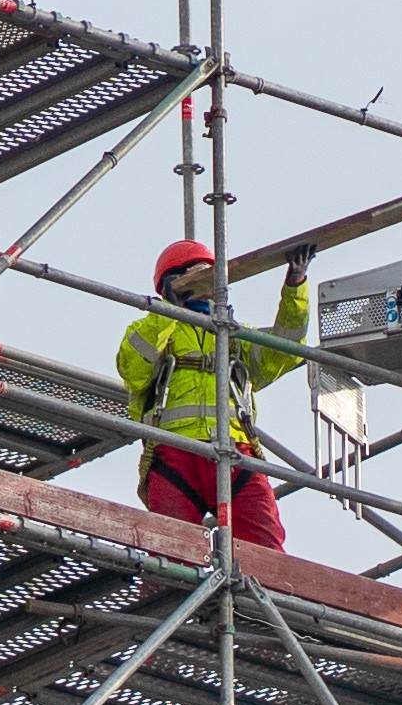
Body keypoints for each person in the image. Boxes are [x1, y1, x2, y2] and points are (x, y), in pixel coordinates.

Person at [120, 236, 310, 551]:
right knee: (170, 556)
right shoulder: (155, 329)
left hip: (235, 451)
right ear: (173, 281)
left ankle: (260, 601)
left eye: (212, 278)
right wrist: (168, 310)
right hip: (174, 454)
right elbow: (133, 370)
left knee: (267, 554)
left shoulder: (234, 336)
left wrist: (295, 287)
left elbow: (287, 349)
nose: (211, 286)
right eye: (199, 277)